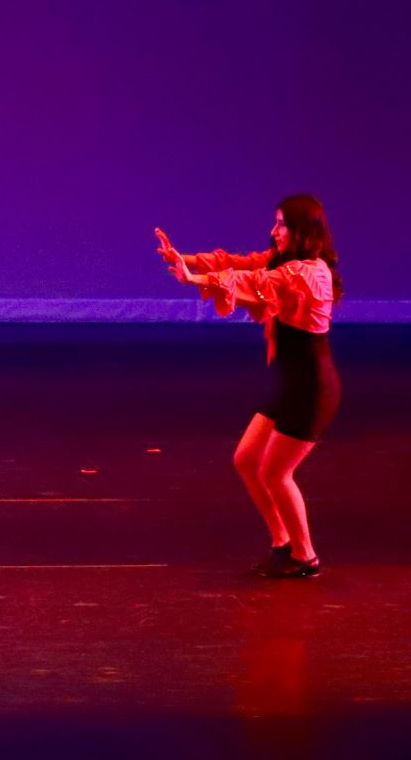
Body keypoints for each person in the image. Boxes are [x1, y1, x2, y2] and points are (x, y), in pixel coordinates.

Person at [156, 195, 342, 578]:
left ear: (304, 230)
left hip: (312, 390)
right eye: (274, 223)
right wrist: (185, 259)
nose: (274, 232)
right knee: (246, 460)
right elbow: (237, 264)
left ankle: (305, 556)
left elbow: (257, 284)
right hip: (292, 385)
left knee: (275, 473)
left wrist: (194, 279)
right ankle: (282, 542)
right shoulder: (282, 260)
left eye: (282, 224)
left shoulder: (310, 273)